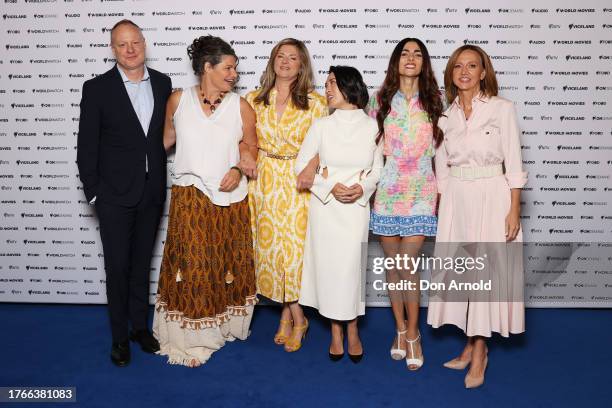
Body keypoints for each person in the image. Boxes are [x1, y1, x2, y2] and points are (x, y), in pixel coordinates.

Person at [152, 35, 258, 367]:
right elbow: (163, 142)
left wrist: (239, 169)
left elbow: (251, 148)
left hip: (228, 199)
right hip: (190, 196)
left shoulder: (241, 106)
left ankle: (221, 326)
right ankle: (193, 340)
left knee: (222, 265)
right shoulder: (177, 100)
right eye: (228, 68)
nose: (234, 75)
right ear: (207, 67)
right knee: (194, 267)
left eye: (236, 69)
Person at [427, 45, 527, 388]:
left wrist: (513, 209)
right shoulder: (445, 116)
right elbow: (441, 168)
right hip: (457, 199)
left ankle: (480, 351)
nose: (465, 71)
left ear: (484, 72)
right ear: (451, 74)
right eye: (458, 66)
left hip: (492, 197)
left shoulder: (502, 109)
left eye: (472, 66)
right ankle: (470, 344)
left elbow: (513, 163)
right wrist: (441, 207)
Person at [77, 19, 172, 367]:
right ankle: (119, 338)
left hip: (151, 193)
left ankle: (138, 328)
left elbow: (161, 137)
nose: (130, 49)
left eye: (135, 42)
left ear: (144, 43)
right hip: (114, 196)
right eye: (122, 44)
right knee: (117, 268)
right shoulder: (97, 88)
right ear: (113, 49)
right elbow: (86, 147)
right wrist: (95, 194)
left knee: (141, 266)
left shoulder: (163, 83)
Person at [296, 66, 383, 363]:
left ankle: (354, 330)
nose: (327, 89)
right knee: (330, 271)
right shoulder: (320, 126)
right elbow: (301, 167)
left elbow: (378, 170)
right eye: (326, 83)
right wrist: (330, 186)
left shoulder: (373, 127)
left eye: (333, 83)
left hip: (356, 210)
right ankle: (335, 332)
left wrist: (361, 188)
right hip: (325, 209)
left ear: (349, 87)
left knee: (351, 271)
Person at [366, 38, 443, 370]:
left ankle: (413, 333)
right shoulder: (379, 100)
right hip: (386, 191)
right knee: (393, 267)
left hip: (422, 193)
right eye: (404, 53)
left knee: (407, 266)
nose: (410, 58)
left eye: (417, 54)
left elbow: (446, 152)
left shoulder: (437, 101)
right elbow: (366, 146)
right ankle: (399, 328)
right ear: (395, 61)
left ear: (424, 62)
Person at [246, 38, 327, 352]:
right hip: (263, 181)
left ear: (302, 65)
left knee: (293, 256)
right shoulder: (253, 99)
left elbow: (325, 145)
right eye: (280, 55)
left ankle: (299, 318)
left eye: (293, 57)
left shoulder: (315, 102)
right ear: (272, 61)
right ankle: (287, 315)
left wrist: (310, 168)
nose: (286, 61)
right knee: (270, 252)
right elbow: (245, 140)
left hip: (297, 183)